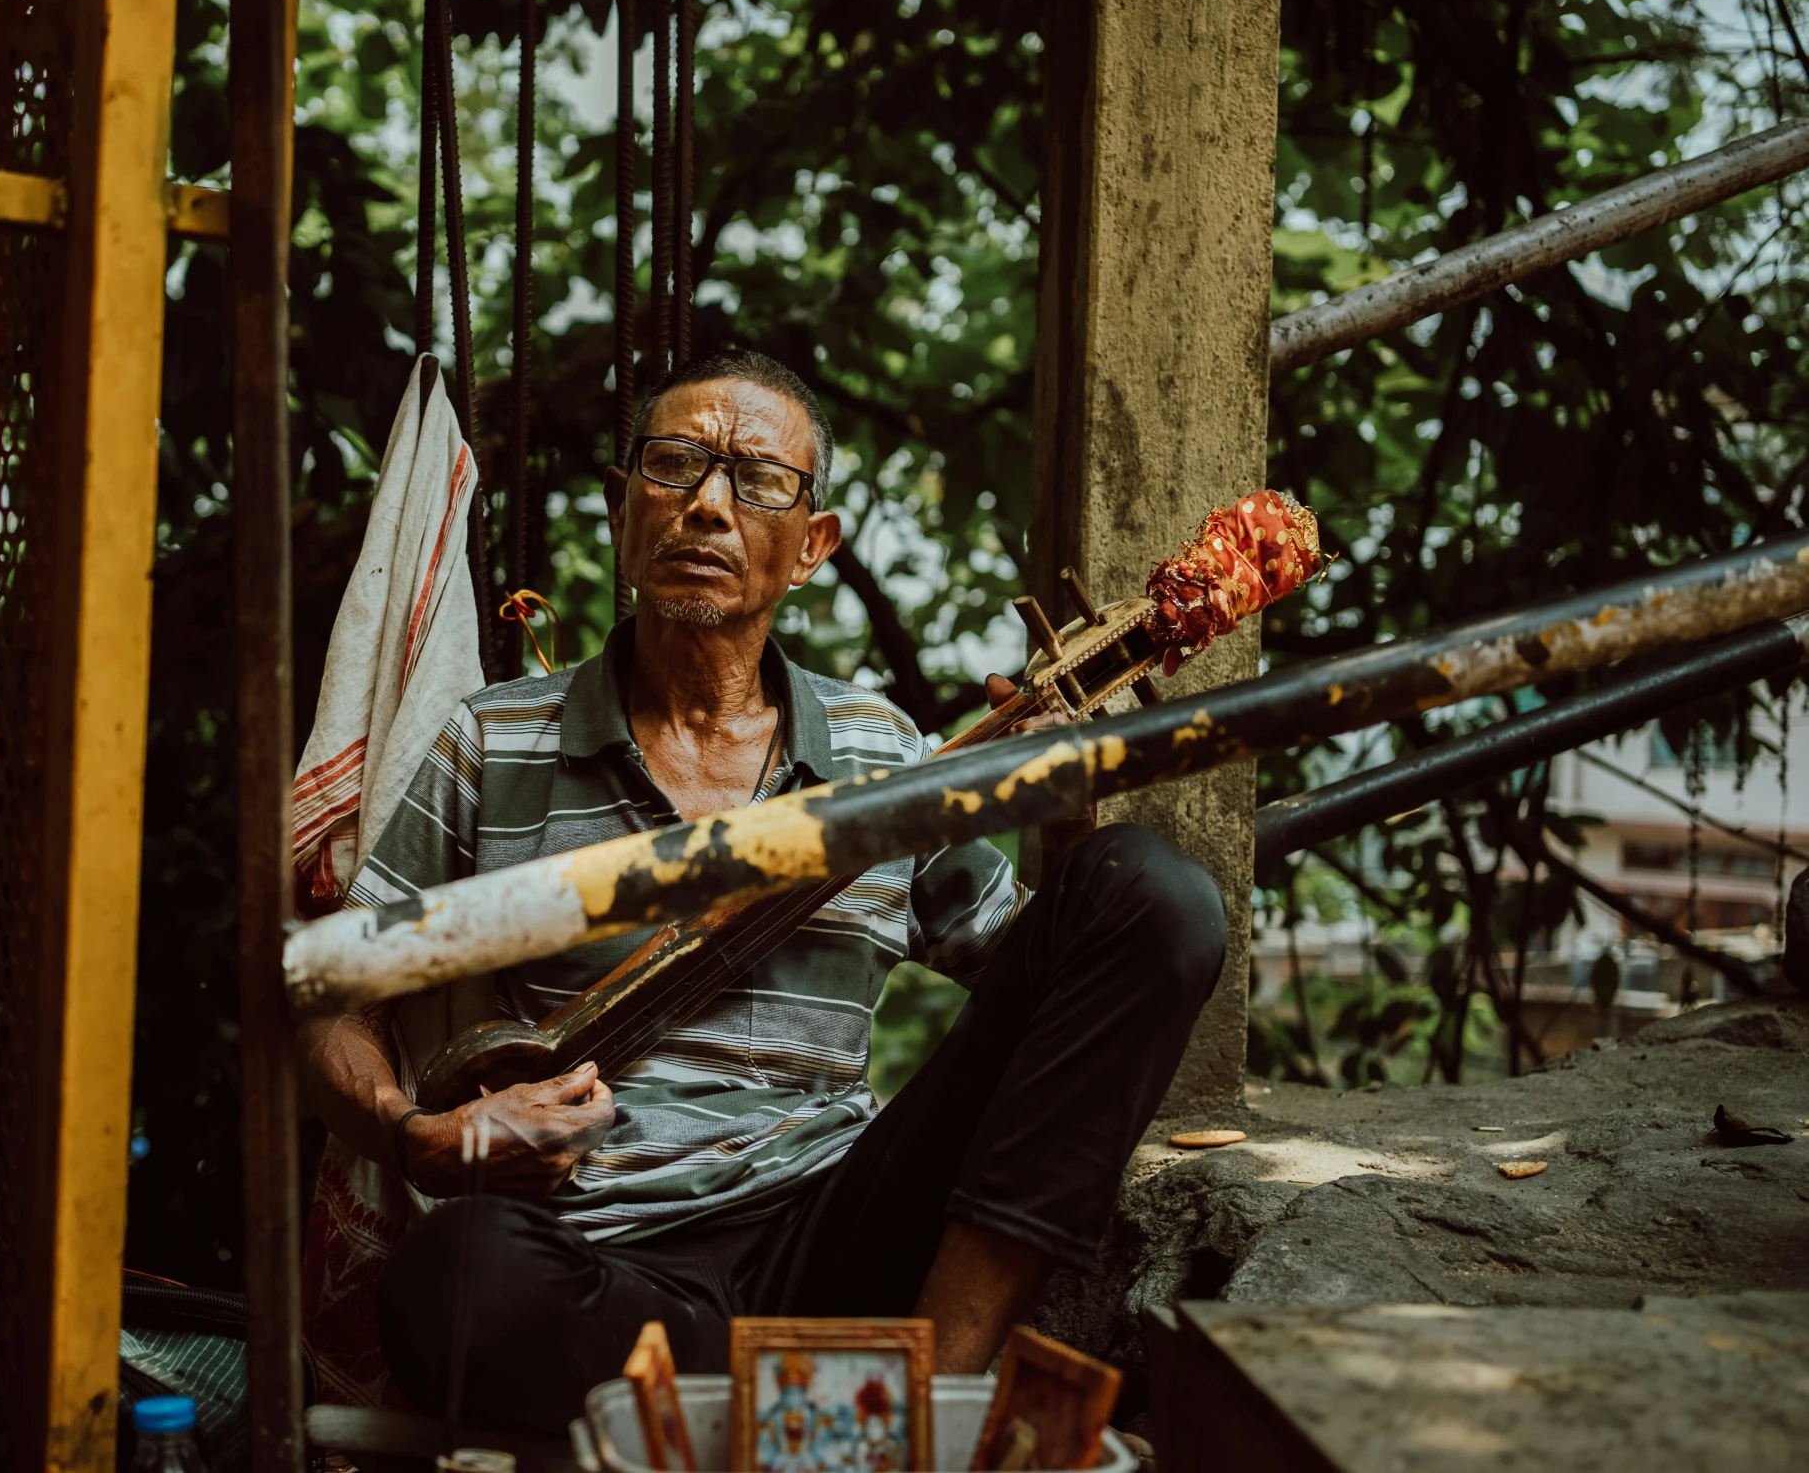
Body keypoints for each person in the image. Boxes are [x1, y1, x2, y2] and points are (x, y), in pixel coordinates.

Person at [297, 349, 1227, 1433]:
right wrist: (421, 1135)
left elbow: (1054, 988)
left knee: (1151, 892)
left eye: (756, 480)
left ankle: (929, 1392)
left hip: (843, 1225)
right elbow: (332, 999)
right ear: (619, 508)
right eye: (674, 465)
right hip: (605, 1261)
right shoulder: (493, 739)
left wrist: (1067, 817)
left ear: (812, 548)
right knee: (453, 1277)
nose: (705, 505)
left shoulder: (886, 752)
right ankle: (820, 1408)